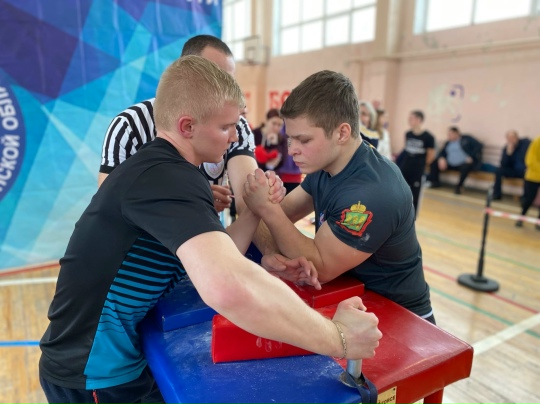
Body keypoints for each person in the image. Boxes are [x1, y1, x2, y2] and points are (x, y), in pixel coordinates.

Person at [39, 57, 382, 403]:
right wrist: (338, 337)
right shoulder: (166, 177)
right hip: (92, 369)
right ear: (187, 126)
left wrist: (253, 209)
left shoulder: (174, 171)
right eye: (226, 127)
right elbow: (229, 286)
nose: (234, 137)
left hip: (114, 357)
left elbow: (221, 254)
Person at [243, 70, 435, 324]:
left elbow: (320, 266)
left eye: (303, 140)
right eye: (290, 139)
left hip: (402, 317)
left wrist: (266, 207)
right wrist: (270, 251)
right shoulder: (326, 166)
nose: (292, 151)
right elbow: (268, 221)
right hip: (354, 300)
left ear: (342, 133)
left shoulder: (373, 191)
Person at [99, 35, 265, 215]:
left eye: (229, 80)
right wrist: (189, 198)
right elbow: (108, 206)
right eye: (212, 75)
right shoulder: (130, 125)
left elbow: (250, 202)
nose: (223, 87)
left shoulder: (237, 126)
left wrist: (266, 199)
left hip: (207, 228)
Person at [396, 110, 435, 215]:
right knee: (402, 190)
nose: (409, 120)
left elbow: (431, 156)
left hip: (418, 169)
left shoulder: (429, 137)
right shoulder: (408, 134)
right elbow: (406, 150)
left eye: (411, 118)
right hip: (406, 166)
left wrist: (421, 166)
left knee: (415, 193)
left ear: (419, 120)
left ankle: (413, 216)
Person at [427, 126, 483, 195]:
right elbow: (442, 153)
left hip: (462, 164)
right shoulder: (448, 143)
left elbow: (479, 146)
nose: (449, 136)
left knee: (466, 167)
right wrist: (441, 158)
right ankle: (435, 182)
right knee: (434, 162)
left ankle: (459, 186)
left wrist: (471, 156)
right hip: (449, 164)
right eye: (448, 134)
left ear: (456, 133)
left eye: (450, 134)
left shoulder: (466, 139)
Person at [492, 130, 530, 200]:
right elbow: (503, 164)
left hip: (524, 170)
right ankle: (497, 194)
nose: (511, 140)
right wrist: (508, 154)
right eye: (509, 138)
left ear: (517, 137)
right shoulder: (506, 148)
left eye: (513, 137)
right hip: (513, 170)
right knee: (498, 171)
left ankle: (525, 198)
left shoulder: (525, 144)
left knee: (528, 176)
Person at [516, 136, 540, 229]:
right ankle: (521, 218)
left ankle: (538, 222)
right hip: (533, 177)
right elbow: (530, 160)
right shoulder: (537, 141)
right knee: (528, 199)